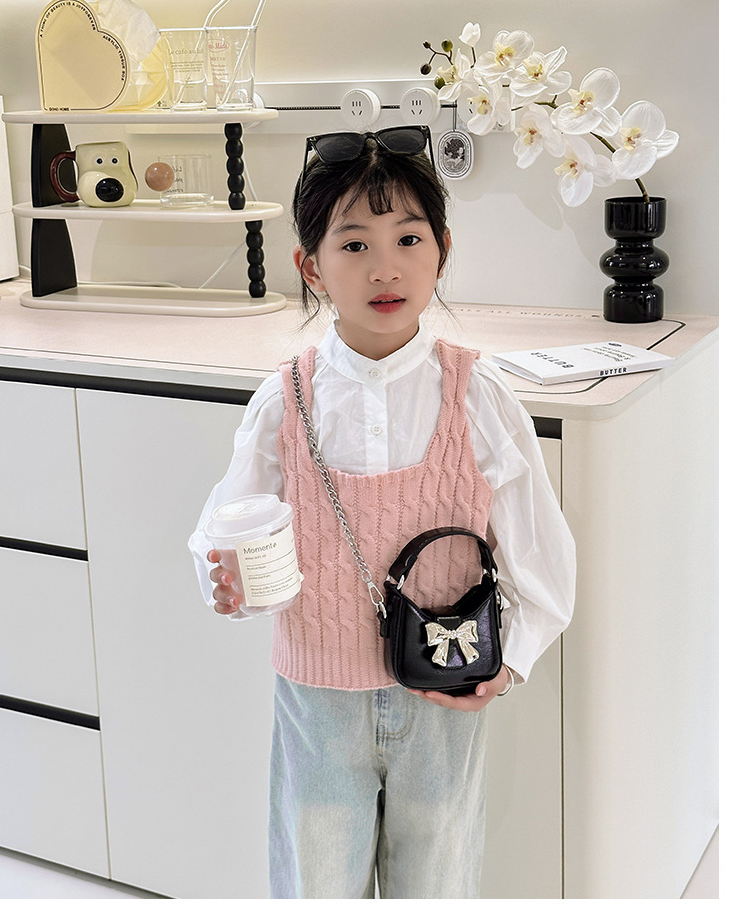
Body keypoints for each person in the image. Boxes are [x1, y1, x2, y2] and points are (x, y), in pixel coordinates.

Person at [188, 126, 576, 900]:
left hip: (445, 690)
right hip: (317, 697)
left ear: (442, 251)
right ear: (311, 266)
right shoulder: (287, 398)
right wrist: (222, 579)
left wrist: (511, 660)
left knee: (437, 880)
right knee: (315, 880)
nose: (385, 267)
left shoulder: (478, 395)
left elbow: (541, 551)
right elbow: (227, 525)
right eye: (354, 244)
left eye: (408, 238)